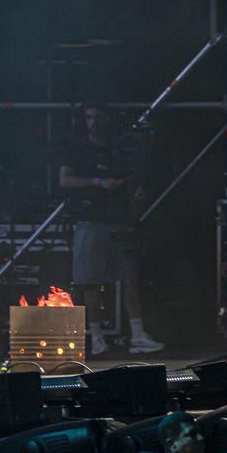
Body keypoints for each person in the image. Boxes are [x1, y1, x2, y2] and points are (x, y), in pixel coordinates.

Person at [59, 101, 164, 356]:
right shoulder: (78, 149)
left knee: (130, 278)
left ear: (108, 118)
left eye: (98, 117)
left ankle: (137, 335)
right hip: (90, 221)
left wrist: (137, 191)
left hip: (120, 220)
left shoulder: (120, 148)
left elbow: (135, 177)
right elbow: (64, 180)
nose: (94, 122)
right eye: (89, 117)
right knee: (90, 281)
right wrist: (98, 182)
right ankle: (96, 338)